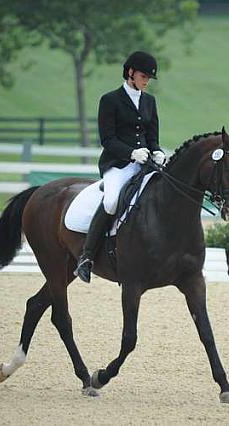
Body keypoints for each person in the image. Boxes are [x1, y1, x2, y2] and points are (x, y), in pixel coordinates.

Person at [74, 51, 165, 283]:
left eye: (149, 78)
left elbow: (152, 136)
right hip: (118, 163)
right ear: (131, 72)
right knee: (112, 200)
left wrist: (158, 151)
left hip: (145, 163)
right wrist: (131, 153)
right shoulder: (110, 100)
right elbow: (108, 139)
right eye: (144, 76)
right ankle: (86, 257)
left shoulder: (149, 101)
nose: (146, 81)